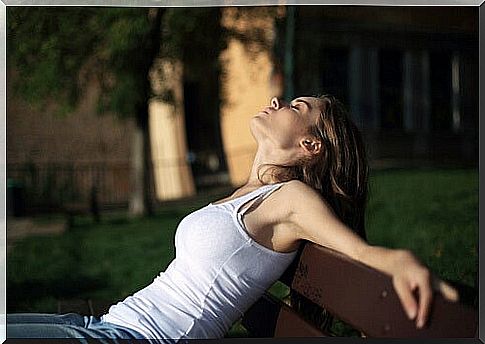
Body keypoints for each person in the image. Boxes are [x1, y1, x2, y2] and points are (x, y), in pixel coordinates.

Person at [8, 95, 459, 342]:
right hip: (106, 326)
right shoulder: (250, 194)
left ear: (311, 146)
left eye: (297, 107)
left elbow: (357, 250)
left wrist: (401, 262)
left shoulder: (290, 199)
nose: (278, 99)